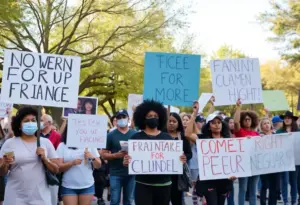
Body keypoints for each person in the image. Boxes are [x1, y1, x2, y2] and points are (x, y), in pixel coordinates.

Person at [123, 100, 187, 205]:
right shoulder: (136, 138)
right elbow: (128, 161)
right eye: (150, 116)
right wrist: (126, 162)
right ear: (143, 118)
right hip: (142, 185)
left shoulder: (167, 138)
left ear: (160, 117)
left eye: (155, 116)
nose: (153, 118)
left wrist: (181, 160)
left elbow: (175, 160)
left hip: (164, 185)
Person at [0, 106, 59, 205]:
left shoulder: (45, 143)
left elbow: (56, 169)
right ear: (19, 125)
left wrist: (45, 159)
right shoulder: (10, 144)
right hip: (15, 197)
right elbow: (2, 173)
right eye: (26, 121)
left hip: (40, 198)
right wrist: (5, 164)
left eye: (33, 120)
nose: (30, 123)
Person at [56, 125, 101, 205]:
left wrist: (92, 157)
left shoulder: (90, 145)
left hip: (87, 186)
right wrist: (71, 163)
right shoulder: (62, 146)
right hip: (68, 186)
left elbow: (98, 165)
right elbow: (59, 168)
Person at [196, 112, 235, 205]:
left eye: (219, 122)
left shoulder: (228, 140)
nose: (217, 125)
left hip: (224, 180)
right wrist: (194, 113)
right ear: (209, 126)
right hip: (209, 180)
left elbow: (234, 159)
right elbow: (188, 134)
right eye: (213, 122)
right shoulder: (203, 140)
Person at [101, 109, 136, 205]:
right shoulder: (110, 135)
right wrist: (116, 155)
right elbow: (103, 154)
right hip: (115, 173)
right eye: (119, 117)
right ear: (116, 120)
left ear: (128, 118)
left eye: (123, 117)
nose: (121, 119)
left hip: (131, 174)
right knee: (115, 200)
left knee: (128, 200)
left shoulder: (135, 134)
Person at [234, 99, 259, 205]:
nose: (247, 121)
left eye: (249, 119)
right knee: (243, 189)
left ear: (252, 120)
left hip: (255, 164)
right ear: (242, 121)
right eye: (245, 119)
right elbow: (235, 121)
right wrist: (238, 107)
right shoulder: (239, 131)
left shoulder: (256, 134)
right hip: (243, 164)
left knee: (253, 190)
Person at [167, 112, 192, 205]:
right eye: (169, 121)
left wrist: (185, 157)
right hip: (163, 175)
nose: (171, 123)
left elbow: (189, 153)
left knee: (177, 200)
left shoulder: (183, 136)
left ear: (178, 123)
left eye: (174, 121)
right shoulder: (161, 135)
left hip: (178, 176)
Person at [276, 111, 300, 205]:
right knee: (284, 181)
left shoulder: (298, 132)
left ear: (292, 119)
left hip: (296, 160)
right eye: (285, 118)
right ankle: (285, 200)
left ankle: (294, 200)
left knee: (294, 181)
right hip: (283, 160)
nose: (287, 119)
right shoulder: (279, 132)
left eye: (289, 118)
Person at [259, 117, 280, 205]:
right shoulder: (259, 136)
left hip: (275, 164)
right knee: (265, 185)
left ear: (271, 124)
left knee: (274, 187)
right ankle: (263, 203)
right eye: (265, 123)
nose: (267, 125)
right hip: (264, 164)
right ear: (261, 126)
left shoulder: (276, 135)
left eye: (268, 123)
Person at [41, 114, 62, 205]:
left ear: (49, 123)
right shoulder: (36, 134)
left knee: (52, 197)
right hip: (38, 169)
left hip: (51, 170)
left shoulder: (57, 136)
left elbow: (59, 153)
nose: (39, 122)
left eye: (42, 120)